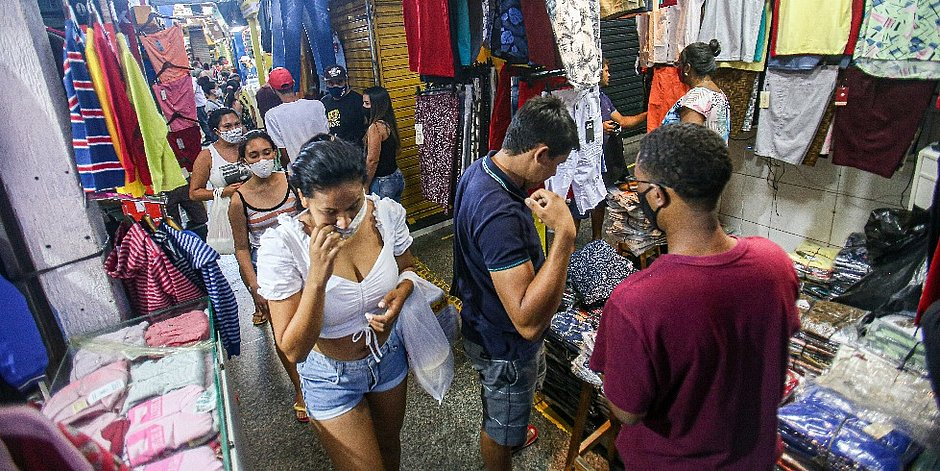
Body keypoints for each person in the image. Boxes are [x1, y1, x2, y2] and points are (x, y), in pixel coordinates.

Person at [589, 123, 800, 470]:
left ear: (658, 195)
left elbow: (627, 412)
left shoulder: (635, 303)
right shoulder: (774, 262)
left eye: (639, 186)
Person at [257, 136, 415, 470]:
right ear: (303, 197)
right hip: (330, 376)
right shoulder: (282, 246)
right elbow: (293, 349)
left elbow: (408, 269)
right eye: (329, 212)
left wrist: (400, 295)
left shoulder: (385, 215)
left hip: (388, 358)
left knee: (390, 450)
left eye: (353, 206)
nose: (344, 222)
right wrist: (317, 276)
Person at [452, 97, 579, 470]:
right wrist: (565, 235)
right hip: (504, 344)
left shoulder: (482, 167)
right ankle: (504, 443)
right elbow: (526, 321)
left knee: (504, 411)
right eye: (555, 164)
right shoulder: (499, 216)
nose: (553, 173)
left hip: (483, 321)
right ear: (540, 154)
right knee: (499, 430)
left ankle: (512, 426)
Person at [227, 130, 308, 422]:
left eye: (266, 153)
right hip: (270, 272)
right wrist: (255, 286)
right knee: (283, 331)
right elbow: (241, 248)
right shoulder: (239, 200)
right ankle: (300, 388)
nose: (262, 160)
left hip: (304, 261)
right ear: (243, 161)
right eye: (254, 155)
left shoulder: (291, 182)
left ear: (274, 153)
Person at [591, 59, 648, 240]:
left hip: (609, 154)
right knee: (593, 200)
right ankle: (589, 242)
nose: (609, 74)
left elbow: (623, 121)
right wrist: (598, 127)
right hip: (594, 157)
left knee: (605, 196)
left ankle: (598, 239)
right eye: (606, 71)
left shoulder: (603, 97)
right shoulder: (587, 99)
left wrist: (651, 113)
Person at [661, 40, 732, 143]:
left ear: (687, 68)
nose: (677, 68)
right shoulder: (718, 93)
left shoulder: (697, 99)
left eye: (679, 64)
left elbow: (689, 146)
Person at [264, 67, 330, 166]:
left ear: (273, 90)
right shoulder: (317, 105)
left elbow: (284, 153)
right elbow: (327, 137)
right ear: (293, 83)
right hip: (325, 164)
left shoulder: (272, 116)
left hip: (300, 171)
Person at [189, 108, 247, 204]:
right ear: (217, 131)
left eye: (237, 124)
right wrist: (222, 192)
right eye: (227, 126)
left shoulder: (250, 146)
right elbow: (194, 193)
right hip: (225, 210)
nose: (234, 129)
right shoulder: (207, 156)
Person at [362, 86, 403, 202]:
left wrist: (366, 184)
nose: (364, 107)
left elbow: (372, 160)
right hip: (396, 176)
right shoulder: (389, 123)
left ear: (376, 105)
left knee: (381, 218)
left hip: (382, 182)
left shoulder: (375, 127)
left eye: (367, 103)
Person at [320, 65, 366, 147]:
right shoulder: (324, 102)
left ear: (346, 81)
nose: (335, 86)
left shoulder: (358, 100)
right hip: (334, 150)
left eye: (339, 82)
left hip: (354, 150)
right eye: (331, 83)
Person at [193, 73, 212, 145]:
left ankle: (210, 137)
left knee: (203, 122)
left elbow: (192, 92)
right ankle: (209, 137)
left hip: (199, 105)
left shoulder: (192, 81)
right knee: (205, 121)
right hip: (201, 103)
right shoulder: (194, 80)